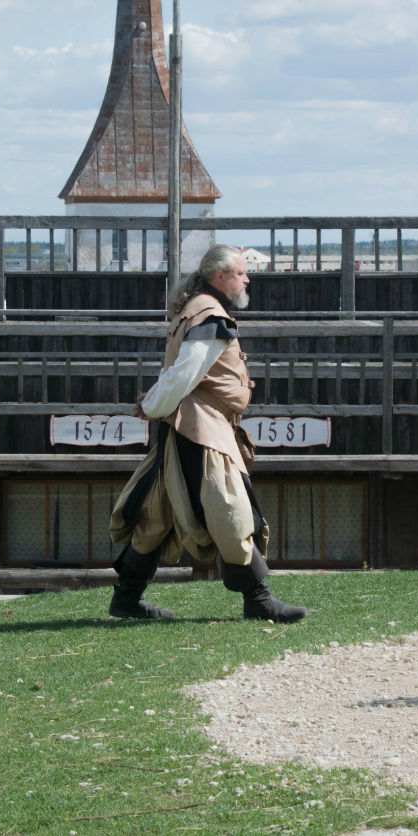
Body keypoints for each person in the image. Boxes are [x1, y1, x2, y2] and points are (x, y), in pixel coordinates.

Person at [107, 245, 307, 623]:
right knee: (228, 507)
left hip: (185, 426)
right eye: (241, 273)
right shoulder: (210, 315)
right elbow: (185, 374)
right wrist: (151, 406)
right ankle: (258, 598)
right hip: (201, 430)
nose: (247, 279)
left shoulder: (194, 308)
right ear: (220, 277)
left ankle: (128, 597)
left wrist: (152, 403)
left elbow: (178, 374)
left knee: (159, 512)